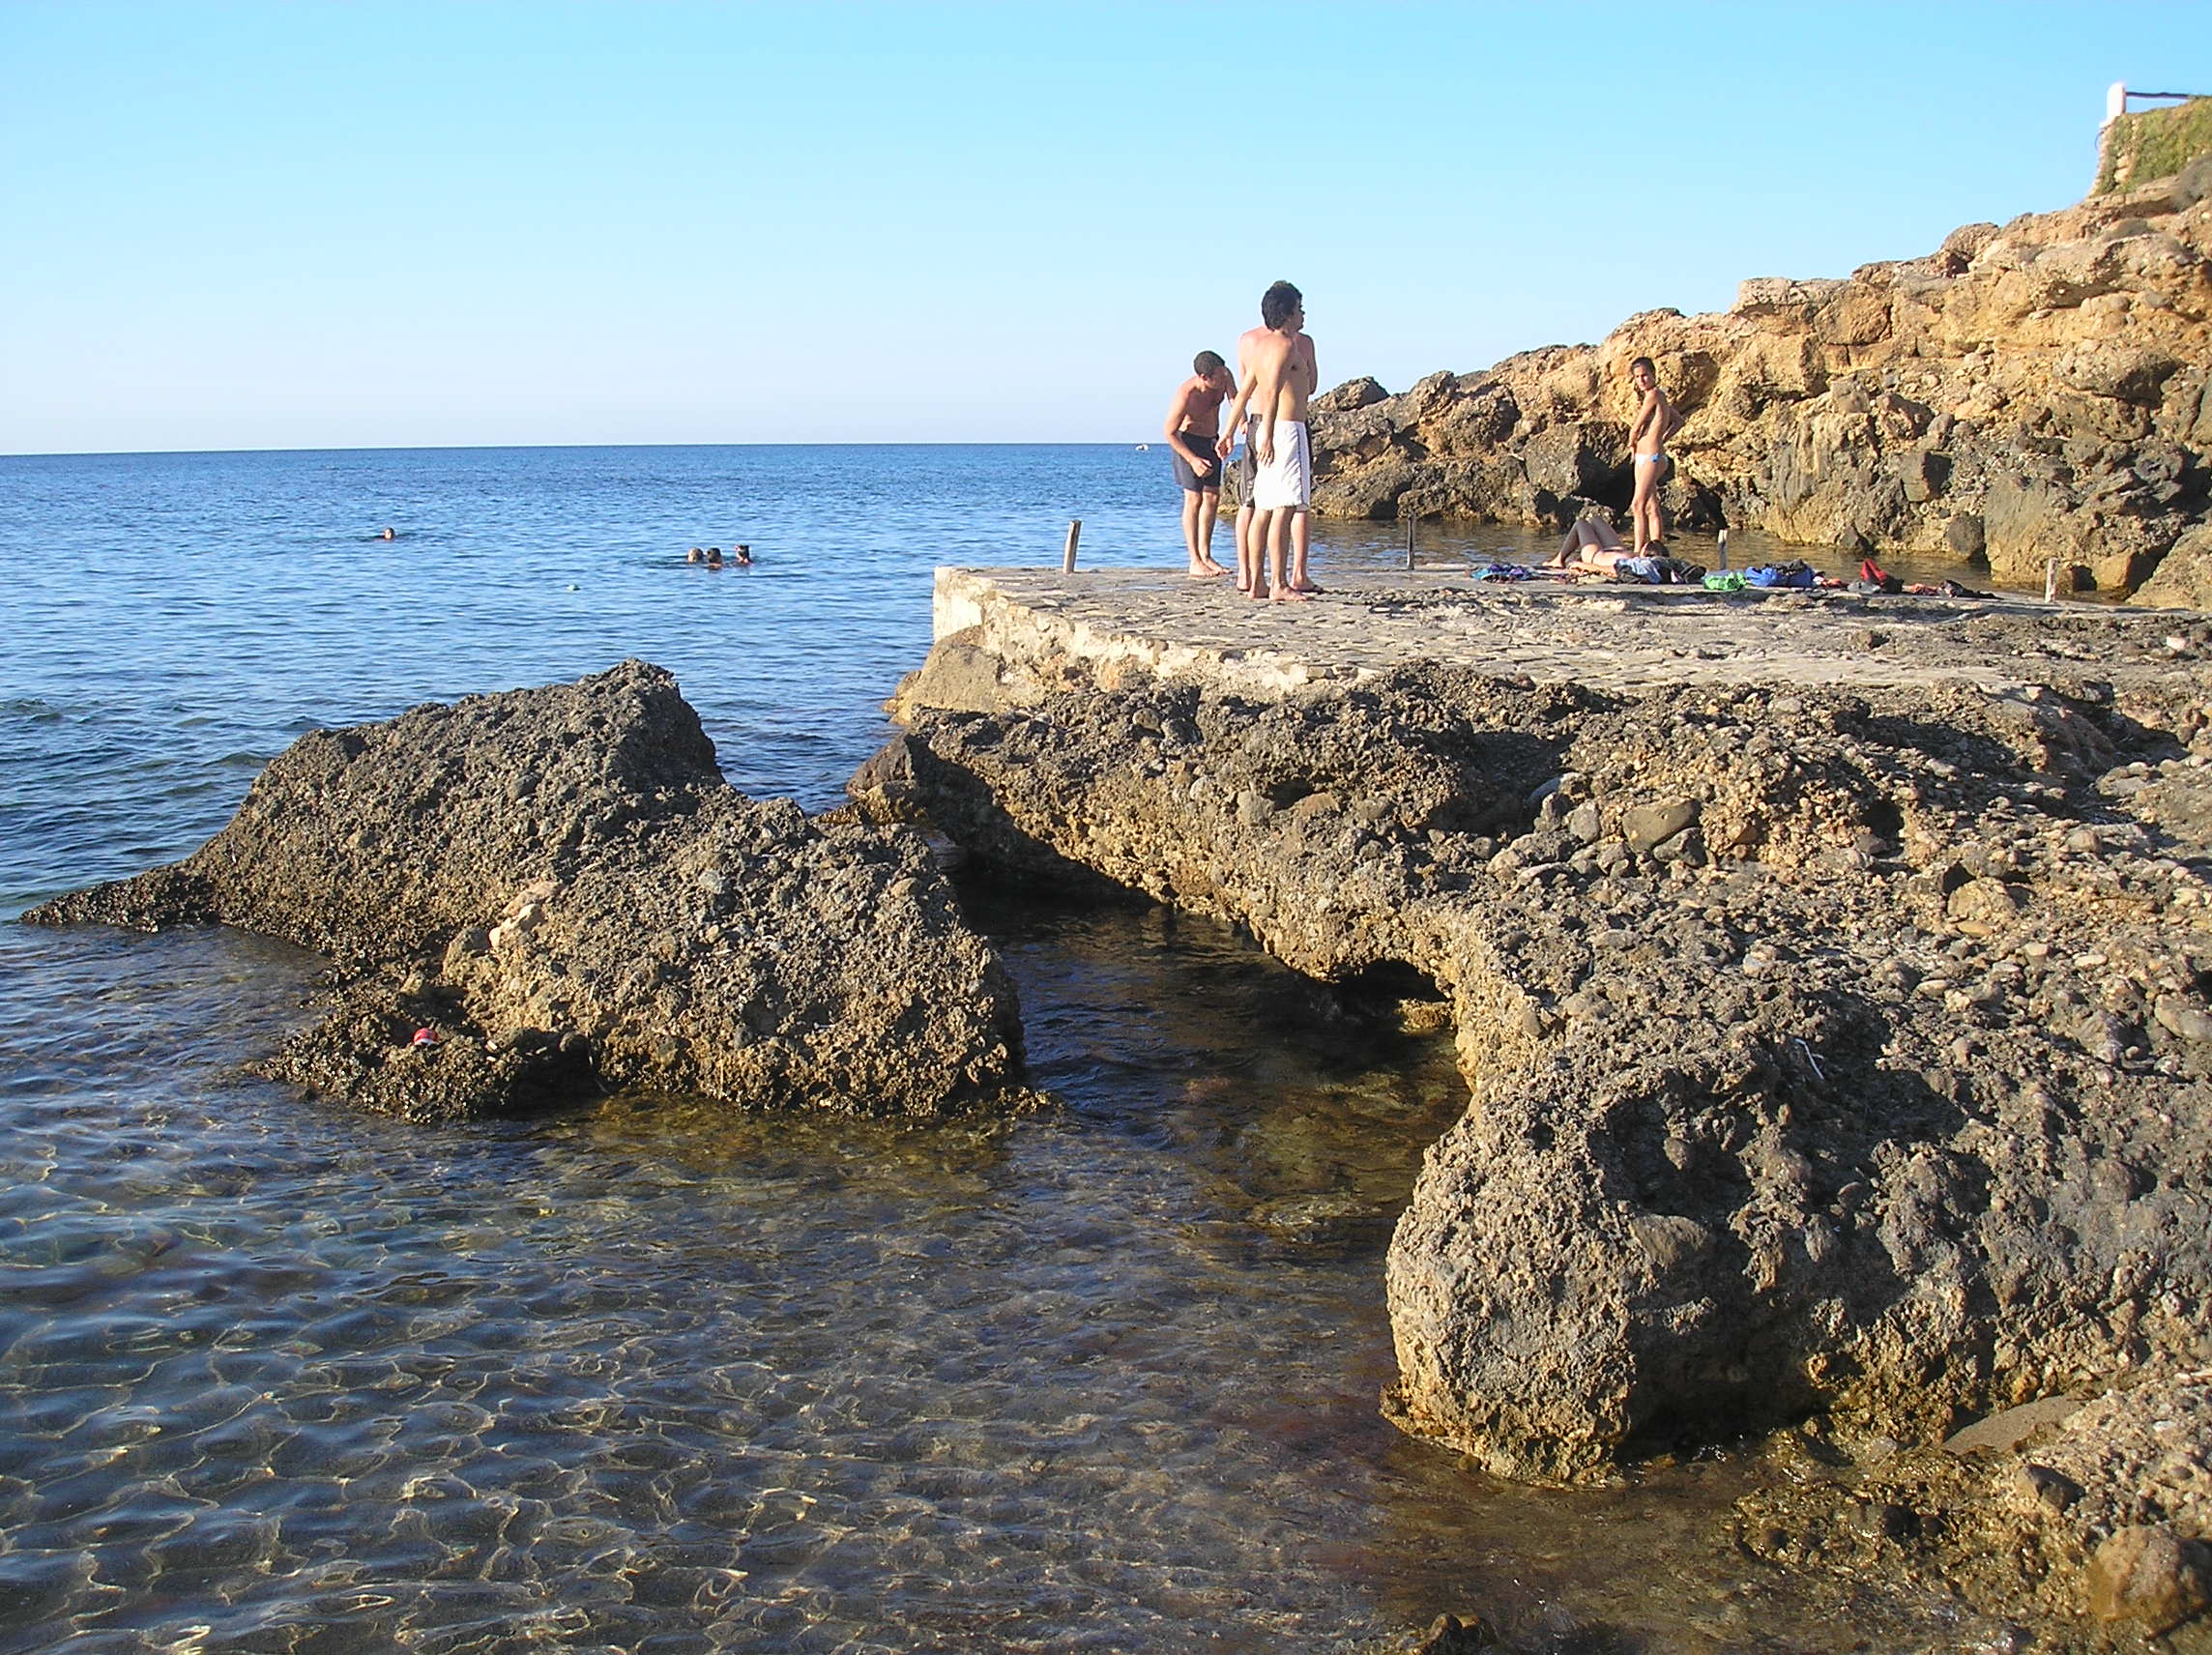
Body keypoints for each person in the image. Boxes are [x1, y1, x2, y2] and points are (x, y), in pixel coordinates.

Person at [1221, 281, 1318, 603]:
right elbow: (1272, 392)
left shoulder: (1260, 346)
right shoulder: (1288, 346)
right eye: (1300, 309)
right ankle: (1278, 582)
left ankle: (1257, 582)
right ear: (1289, 313)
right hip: (1286, 430)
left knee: (1262, 507)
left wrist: (1227, 432)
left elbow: (1246, 393)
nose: (1303, 314)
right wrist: (1270, 435)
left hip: (1269, 430)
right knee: (1285, 507)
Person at [1163, 352, 1233, 578]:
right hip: (1187, 442)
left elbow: (1235, 400)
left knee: (1212, 497)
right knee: (1194, 498)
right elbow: (1169, 433)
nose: (1223, 379)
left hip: (1211, 440)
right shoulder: (1187, 394)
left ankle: (1206, 555)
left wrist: (1234, 429)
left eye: (1224, 374)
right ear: (1204, 377)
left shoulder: (1224, 375)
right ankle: (1194, 560)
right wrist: (1192, 460)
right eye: (1218, 377)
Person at [1626, 356, 1682, 555]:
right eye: (1637, 377)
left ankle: (1638, 552)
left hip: (1651, 456)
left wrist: (1633, 441)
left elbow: (1636, 426)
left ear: (1654, 374)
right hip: (1646, 455)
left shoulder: (1655, 394)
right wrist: (1660, 438)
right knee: (1651, 505)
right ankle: (1656, 550)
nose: (1641, 380)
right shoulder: (1660, 398)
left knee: (1637, 504)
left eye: (1645, 375)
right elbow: (1679, 421)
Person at [1546, 510, 1629, 571]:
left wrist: (1584, 566)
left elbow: (1613, 570)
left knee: (1581, 523)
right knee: (1596, 519)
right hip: (1621, 553)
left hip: (1598, 558)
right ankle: (1576, 557)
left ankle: (1558, 560)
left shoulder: (1633, 570)